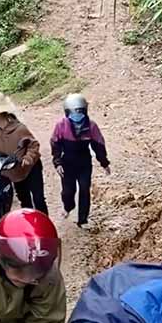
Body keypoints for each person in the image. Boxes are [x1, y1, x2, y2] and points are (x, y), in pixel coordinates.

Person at [50, 94, 110, 229]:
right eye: (74, 112)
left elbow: (98, 145)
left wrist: (104, 163)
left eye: (80, 111)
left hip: (84, 163)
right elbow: (55, 144)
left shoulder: (91, 126)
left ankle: (83, 220)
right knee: (68, 191)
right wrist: (58, 163)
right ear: (67, 112)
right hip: (67, 163)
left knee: (84, 189)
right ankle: (68, 207)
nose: (77, 115)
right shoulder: (61, 125)